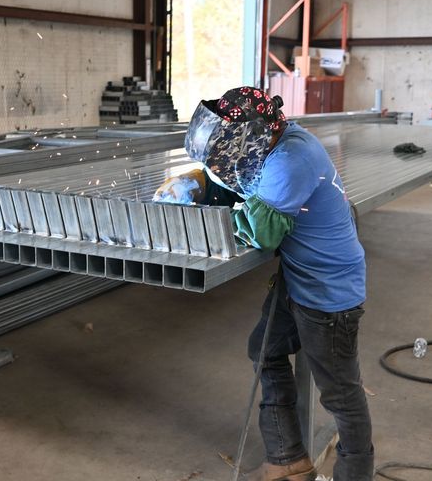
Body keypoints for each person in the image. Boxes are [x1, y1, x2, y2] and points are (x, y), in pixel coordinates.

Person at [154, 87, 373, 481]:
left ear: (253, 136)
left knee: (340, 394)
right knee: (265, 350)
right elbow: (238, 177)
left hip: (329, 291)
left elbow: (261, 234)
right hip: (297, 276)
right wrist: (201, 184)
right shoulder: (272, 143)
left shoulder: (291, 160)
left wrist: (204, 219)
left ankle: (355, 473)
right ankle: (288, 458)